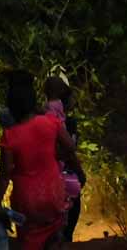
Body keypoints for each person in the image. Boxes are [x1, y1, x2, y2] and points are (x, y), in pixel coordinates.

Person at [0, 70, 79, 250]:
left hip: (27, 200)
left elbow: (5, 174)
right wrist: (53, 156)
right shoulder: (50, 121)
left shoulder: (9, 136)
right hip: (53, 192)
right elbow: (70, 147)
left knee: (30, 239)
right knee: (55, 237)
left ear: (12, 108)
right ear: (33, 102)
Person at [44, 76, 87, 243]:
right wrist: (79, 171)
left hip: (46, 172)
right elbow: (68, 149)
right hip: (60, 171)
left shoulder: (43, 113)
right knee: (71, 206)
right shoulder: (62, 120)